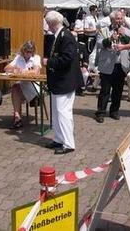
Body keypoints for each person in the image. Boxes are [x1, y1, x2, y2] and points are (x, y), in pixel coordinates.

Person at [43, 11, 79, 155]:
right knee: (57, 112)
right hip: (58, 81)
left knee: (63, 112)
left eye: (48, 23)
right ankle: (58, 138)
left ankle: (68, 143)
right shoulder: (60, 35)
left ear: (52, 23)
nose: (47, 27)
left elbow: (67, 58)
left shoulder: (66, 36)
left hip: (65, 81)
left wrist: (49, 62)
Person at [94, 10, 130, 123]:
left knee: (118, 90)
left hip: (120, 65)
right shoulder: (104, 30)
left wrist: (123, 35)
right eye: (117, 18)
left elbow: (129, 42)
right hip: (107, 64)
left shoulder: (126, 30)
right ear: (112, 19)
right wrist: (110, 39)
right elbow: (99, 43)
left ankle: (114, 111)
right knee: (105, 90)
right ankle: (100, 112)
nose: (119, 21)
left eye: (121, 18)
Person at [4, 41, 41, 129]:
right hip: (21, 85)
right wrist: (14, 68)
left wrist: (22, 71)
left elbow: (35, 71)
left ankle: (17, 117)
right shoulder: (18, 57)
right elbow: (6, 68)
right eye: (26, 51)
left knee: (16, 88)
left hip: (33, 86)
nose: (28, 53)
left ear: (33, 51)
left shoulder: (36, 58)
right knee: (15, 87)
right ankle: (17, 118)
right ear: (23, 50)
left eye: (30, 51)